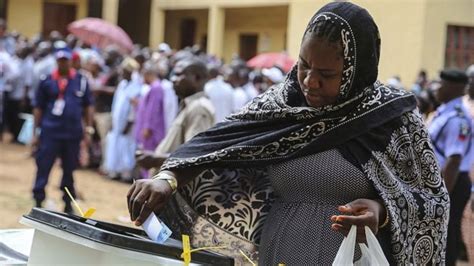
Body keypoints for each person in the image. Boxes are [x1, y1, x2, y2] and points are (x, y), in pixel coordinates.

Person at [127, 2, 449, 265]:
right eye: (304, 65)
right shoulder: (280, 104)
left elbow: (434, 202)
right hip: (277, 253)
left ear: (356, 72)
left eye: (327, 74)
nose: (309, 82)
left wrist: (383, 212)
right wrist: (167, 178)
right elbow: (221, 146)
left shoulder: (391, 120)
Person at [31, 47, 94, 213]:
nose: (63, 63)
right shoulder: (47, 80)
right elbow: (38, 108)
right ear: (56, 61)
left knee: (69, 169)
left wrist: (88, 129)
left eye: (66, 60)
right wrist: (35, 133)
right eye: (60, 60)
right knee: (43, 165)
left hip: (72, 133)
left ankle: (67, 202)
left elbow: (88, 106)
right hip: (50, 132)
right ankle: (38, 200)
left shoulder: (81, 80)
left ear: (70, 61)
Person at [134, 57, 214, 173]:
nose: (173, 79)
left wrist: (156, 159)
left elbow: (194, 156)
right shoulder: (189, 105)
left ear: (196, 78)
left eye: (179, 75)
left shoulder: (199, 108)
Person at [428, 69, 472, 266]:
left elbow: (454, 160)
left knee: (447, 231)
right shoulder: (444, 111)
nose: (437, 88)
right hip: (443, 178)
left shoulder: (457, 119)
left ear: (455, 88)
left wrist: (442, 194)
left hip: (451, 180)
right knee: (442, 230)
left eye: (441, 84)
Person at [104, 57, 142, 181]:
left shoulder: (137, 86)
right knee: (115, 144)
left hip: (128, 123)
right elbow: (115, 104)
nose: (122, 73)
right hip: (117, 121)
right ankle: (115, 171)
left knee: (126, 146)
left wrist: (130, 122)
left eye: (124, 71)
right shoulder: (122, 84)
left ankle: (126, 173)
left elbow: (134, 108)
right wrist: (112, 120)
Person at [133, 63, 166, 178]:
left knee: (148, 160)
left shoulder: (156, 88)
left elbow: (153, 110)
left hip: (151, 132)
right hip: (147, 129)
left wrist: (147, 127)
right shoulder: (153, 87)